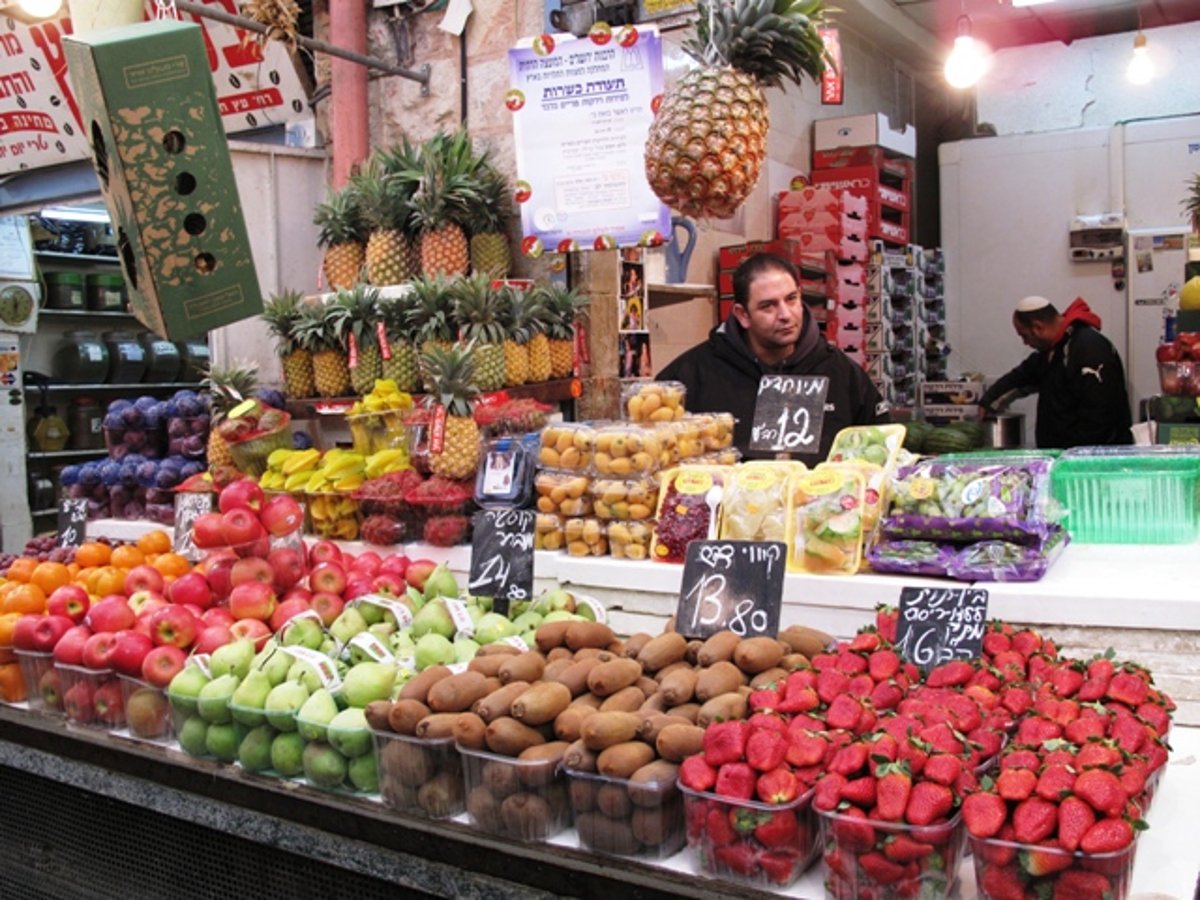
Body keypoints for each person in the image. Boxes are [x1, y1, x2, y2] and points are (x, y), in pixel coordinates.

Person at [658, 252, 888, 463]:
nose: (785, 315)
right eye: (768, 306)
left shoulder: (841, 372)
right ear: (743, 315)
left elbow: (882, 445)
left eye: (791, 299)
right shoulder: (690, 376)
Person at [979, 296, 1132, 448]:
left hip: (1093, 461)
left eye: (1024, 335)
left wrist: (1069, 458)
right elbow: (1020, 377)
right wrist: (987, 402)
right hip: (1066, 458)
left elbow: (1099, 418)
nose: (1025, 342)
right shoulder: (1053, 350)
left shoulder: (1089, 349)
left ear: (1038, 327)